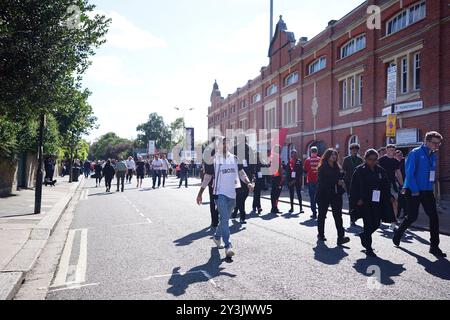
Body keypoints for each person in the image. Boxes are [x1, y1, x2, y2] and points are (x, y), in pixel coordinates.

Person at [196, 137, 254, 258]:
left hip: (232, 193)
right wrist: (200, 193)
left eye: (226, 143)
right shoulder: (214, 160)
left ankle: (217, 237)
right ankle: (228, 246)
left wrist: (248, 182)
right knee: (225, 219)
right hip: (219, 193)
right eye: (222, 143)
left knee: (224, 219)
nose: (225, 145)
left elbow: (241, 172)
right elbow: (207, 177)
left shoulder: (234, 158)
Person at [393, 131, 446, 258]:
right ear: (427, 141)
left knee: (434, 217)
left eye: (439, 143)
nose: (437, 146)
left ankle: (434, 246)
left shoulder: (433, 155)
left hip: (427, 190)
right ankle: (398, 232)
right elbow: (409, 173)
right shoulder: (415, 153)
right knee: (412, 217)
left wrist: (431, 188)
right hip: (413, 190)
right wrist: (415, 190)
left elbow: (431, 173)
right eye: (435, 143)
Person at [350, 149, 394, 257]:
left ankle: (364, 235)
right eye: (370, 159)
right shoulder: (360, 170)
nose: (373, 161)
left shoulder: (380, 171)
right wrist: (357, 199)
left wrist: (389, 196)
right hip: (365, 201)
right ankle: (369, 248)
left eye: (375, 159)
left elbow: (385, 184)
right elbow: (353, 187)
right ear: (365, 159)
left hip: (377, 200)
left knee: (376, 223)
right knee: (368, 223)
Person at [316, 148, 350, 246]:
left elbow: (341, 176)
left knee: (338, 216)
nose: (334, 156)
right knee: (322, 215)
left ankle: (341, 237)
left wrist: (342, 179)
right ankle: (321, 234)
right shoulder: (322, 167)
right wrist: (336, 181)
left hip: (335, 194)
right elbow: (322, 182)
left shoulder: (337, 166)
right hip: (324, 194)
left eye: (335, 155)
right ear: (327, 156)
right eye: (332, 155)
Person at [378, 144, 404, 230]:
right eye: (391, 150)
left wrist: (402, 185)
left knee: (395, 201)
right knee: (381, 202)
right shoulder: (381, 160)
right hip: (381, 184)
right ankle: (380, 219)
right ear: (387, 150)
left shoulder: (395, 161)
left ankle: (393, 221)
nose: (393, 152)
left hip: (392, 184)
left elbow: (398, 173)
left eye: (394, 150)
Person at [232, 136, 255, 224]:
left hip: (247, 176)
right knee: (239, 195)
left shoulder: (250, 150)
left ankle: (235, 210)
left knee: (244, 195)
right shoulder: (234, 149)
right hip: (237, 175)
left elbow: (252, 163)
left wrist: (253, 176)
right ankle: (242, 216)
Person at [343, 143, 364, 227]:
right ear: (350, 151)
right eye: (353, 150)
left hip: (358, 183)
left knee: (358, 200)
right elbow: (344, 171)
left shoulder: (360, 160)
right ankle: (352, 219)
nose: (355, 151)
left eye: (356, 150)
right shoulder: (346, 159)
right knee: (351, 200)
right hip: (349, 183)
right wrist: (344, 183)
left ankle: (356, 215)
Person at [304, 146, 320, 219]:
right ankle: (321, 212)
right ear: (317, 152)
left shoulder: (308, 160)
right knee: (320, 197)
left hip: (311, 181)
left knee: (312, 197)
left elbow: (306, 170)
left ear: (311, 152)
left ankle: (314, 213)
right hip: (319, 181)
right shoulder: (320, 160)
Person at [286, 149, 304, 214]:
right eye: (293, 154)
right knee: (291, 194)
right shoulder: (289, 162)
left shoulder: (299, 162)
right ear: (291, 155)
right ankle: (292, 208)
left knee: (299, 194)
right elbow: (287, 173)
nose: (294, 155)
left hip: (297, 180)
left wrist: (295, 180)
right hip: (291, 181)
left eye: (295, 154)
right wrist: (288, 182)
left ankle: (301, 208)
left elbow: (301, 172)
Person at [270, 146, 284, 214]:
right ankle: (275, 208)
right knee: (277, 193)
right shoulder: (278, 157)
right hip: (277, 177)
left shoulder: (272, 157)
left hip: (273, 177)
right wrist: (282, 177)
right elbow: (279, 168)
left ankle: (273, 207)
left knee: (273, 193)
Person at [395, 150, 407, 221]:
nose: (399, 157)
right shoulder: (395, 162)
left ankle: (405, 214)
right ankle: (398, 214)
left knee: (404, 199)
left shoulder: (405, 162)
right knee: (398, 200)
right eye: (397, 155)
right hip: (397, 184)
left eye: (400, 155)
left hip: (404, 183)